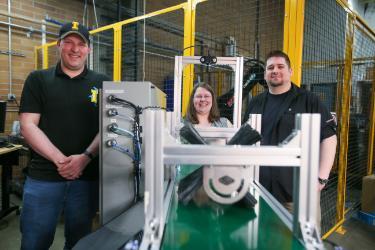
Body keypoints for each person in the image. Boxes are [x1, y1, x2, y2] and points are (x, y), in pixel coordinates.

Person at [19, 21, 110, 250]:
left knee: (79, 243)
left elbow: (108, 126)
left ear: (89, 49)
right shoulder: (38, 79)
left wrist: (85, 157)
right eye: (68, 42)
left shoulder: (103, 83)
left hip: (86, 178)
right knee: (34, 242)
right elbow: (28, 125)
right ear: (58, 45)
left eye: (81, 44)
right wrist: (61, 160)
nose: (74, 49)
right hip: (44, 178)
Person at [243, 50, 337, 216]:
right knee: (265, 238)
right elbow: (245, 139)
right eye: (270, 67)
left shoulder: (309, 100)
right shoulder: (255, 103)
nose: (275, 71)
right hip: (261, 188)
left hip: (298, 194)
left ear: (290, 72)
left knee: (303, 239)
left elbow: (329, 138)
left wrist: (321, 178)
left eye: (280, 66)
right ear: (265, 74)